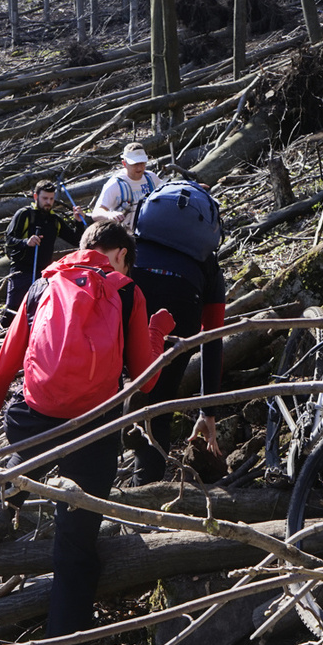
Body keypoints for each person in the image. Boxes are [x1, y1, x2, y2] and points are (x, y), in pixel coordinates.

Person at [0, 221, 174, 645]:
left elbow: (4, 365)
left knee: (27, 436)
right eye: (125, 260)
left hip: (33, 417)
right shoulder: (128, 292)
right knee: (75, 553)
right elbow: (144, 380)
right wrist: (158, 332)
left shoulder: (41, 284)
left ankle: (8, 493)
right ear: (116, 255)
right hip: (93, 426)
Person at [128, 181, 228, 485]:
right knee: (159, 404)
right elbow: (211, 339)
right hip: (183, 306)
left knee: (114, 383)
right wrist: (207, 410)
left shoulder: (134, 246)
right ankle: (144, 490)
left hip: (132, 291)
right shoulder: (208, 264)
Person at [5, 180, 86, 312]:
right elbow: (9, 240)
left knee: (38, 311)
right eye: (44, 198)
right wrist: (26, 242)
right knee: (13, 311)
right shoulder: (24, 214)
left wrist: (78, 222)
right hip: (21, 271)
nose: (48, 202)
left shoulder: (55, 220)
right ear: (36, 197)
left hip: (43, 273)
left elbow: (77, 241)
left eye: (51, 199)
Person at [90, 142, 161, 232]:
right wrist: (109, 215)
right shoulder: (115, 184)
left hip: (151, 231)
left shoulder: (151, 178)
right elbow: (96, 214)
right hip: (126, 236)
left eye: (142, 163)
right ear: (124, 163)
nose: (139, 168)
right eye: (135, 164)